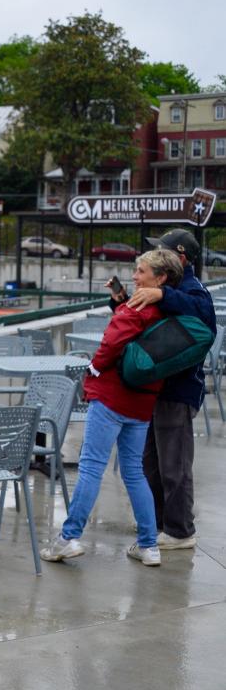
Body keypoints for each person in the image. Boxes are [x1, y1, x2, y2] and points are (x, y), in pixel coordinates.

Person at [42, 248, 185, 567]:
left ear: (160, 278)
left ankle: (68, 538)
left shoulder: (137, 308)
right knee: (134, 471)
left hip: (111, 396)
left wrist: (94, 368)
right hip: (142, 401)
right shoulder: (170, 312)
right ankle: (149, 545)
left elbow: (111, 342)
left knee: (92, 466)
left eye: (142, 271)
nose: (135, 276)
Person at [126, 228, 215, 551]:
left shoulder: (191, 289)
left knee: (174, 466)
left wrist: (164, 296)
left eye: (161, 252)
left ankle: (180, 530)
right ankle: (159, 523)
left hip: (177, 393)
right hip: (156, 391)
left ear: (179, 258)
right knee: (151, 462)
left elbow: (204, 317)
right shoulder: (172, 285)